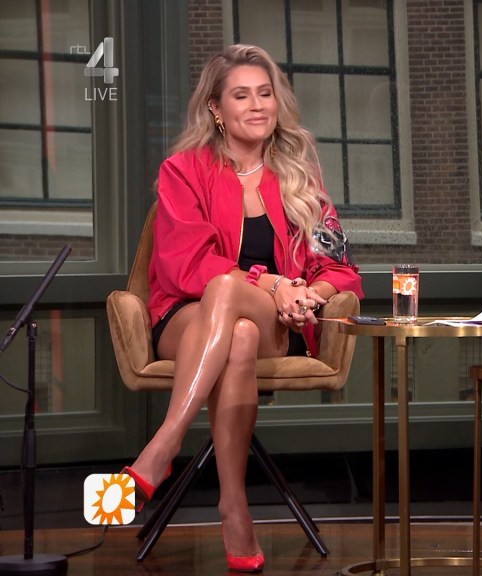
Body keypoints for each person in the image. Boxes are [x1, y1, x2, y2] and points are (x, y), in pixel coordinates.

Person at [121, 44, 363, 573]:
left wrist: (305, 296)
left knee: (239, 308)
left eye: (265, 93)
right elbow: (186, 265)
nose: (257, 105)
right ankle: (233, 505)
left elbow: (341, 272)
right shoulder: (183, 171)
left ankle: (162, 448)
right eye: (241, 95)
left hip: (279, 323)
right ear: (215, 108)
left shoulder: (300, 178)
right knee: (233, 316)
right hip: (186, 317)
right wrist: (274, 282)